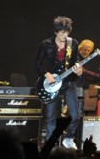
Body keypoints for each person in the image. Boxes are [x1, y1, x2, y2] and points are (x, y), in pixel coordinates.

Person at [33, 15, 83, 150]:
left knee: (74, 115)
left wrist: (79, 70)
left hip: (68, 82)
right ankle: (50, 144)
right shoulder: (46, 44)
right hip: (51, 83)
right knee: (50, 117)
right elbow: (37, 64)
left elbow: (76, 61)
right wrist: (46, 74)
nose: (64, 35)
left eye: (67, 32)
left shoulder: (73, 43)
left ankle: (69, 138)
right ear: (56, 32)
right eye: (62, 33)